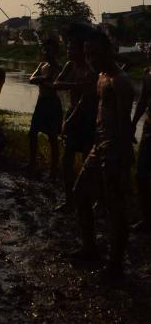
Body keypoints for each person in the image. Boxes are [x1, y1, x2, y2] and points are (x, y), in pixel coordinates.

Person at [73, 32, 135, 277]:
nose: (91, 59)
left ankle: (115, 265)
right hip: (97, 148)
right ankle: (90, 248)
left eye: (95, 54)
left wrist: (120, 159)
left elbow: (124, 126)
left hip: (114, 152)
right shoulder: (100, 77)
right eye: (87, 54)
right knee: (80, 194)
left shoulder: (121, 82)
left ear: (108, 51)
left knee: (115, 208)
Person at [53, 24, 97, 212]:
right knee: (68, 160)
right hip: (73, 113)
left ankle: (95, 201)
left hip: (89, 118)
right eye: (68, 47)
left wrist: (69, 120)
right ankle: (70, 200)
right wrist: (76, 85)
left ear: (82, 48)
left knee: (90, 163)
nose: (68, 50)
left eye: (72, 47)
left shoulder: (91, 68)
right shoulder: (71, 65)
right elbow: (56, 83)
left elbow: (87, 98)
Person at [27, 38, 63, 178]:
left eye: (50, 50)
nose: (47, 52)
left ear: (55, 51)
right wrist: (44, 79)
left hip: (52, 103)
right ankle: (32, 163)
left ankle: (53, 170)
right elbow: (31, 79)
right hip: (41, 101)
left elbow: (54, 85)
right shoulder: (43, 64)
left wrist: (41, 80)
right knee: (32, 133)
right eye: (45, 49)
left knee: (52, 137)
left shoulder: (59, 67)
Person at [131, 43, 151, 233]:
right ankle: (146, 218)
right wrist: (133, 124)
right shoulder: (147, 74)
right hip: (148, 129)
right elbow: (142, 101)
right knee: (141, 175)